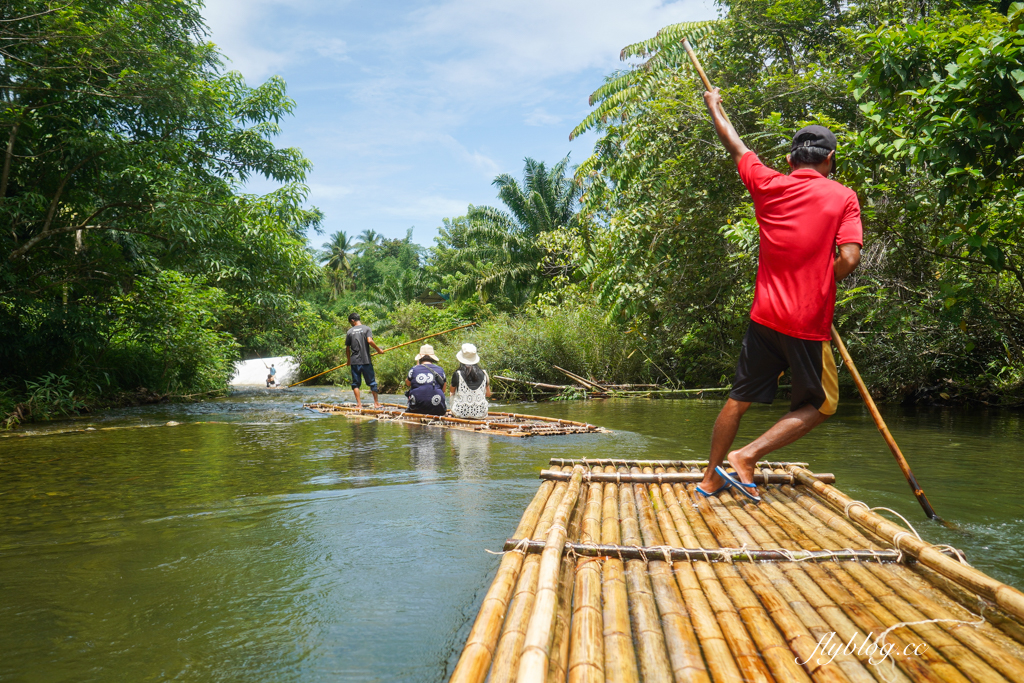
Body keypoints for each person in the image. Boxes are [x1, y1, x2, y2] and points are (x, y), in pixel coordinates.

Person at [696, 87, 863, 503]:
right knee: (822, 406)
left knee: (739, 398)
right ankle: (746, 456)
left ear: (790, 160)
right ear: (829, 160)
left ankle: (710, 479)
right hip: (806, 323)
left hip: (764, 317)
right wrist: (827, 276)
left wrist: (714, 106)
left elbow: (735, 144)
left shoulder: (768, 183)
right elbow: (849, 258)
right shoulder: (843, 196)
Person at [346, 313, 385, 408]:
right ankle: (376, 403)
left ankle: (359, 405)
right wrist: (379, 350)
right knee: (372, 382)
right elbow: (370, 341)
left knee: (355, 383)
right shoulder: (366, 329)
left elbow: (347, 348)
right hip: (366, 360)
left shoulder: (349, 332)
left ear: (352, 320)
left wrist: (348, 360)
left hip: (354, 361)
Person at [448, 343, 491, 419]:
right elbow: (488, 394)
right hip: (480, 414)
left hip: (460, 413)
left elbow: (452, 391)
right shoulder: (484, 373)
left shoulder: (457, 374)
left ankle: (452, 411)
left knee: (452, 393)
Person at [405, 344, 447, 415]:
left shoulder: (414, 369)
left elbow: (408, 383)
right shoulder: (440, 370)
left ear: (420, 358)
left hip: (416, 408)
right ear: (432, 358)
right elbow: (443, 390)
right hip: (438, 409)